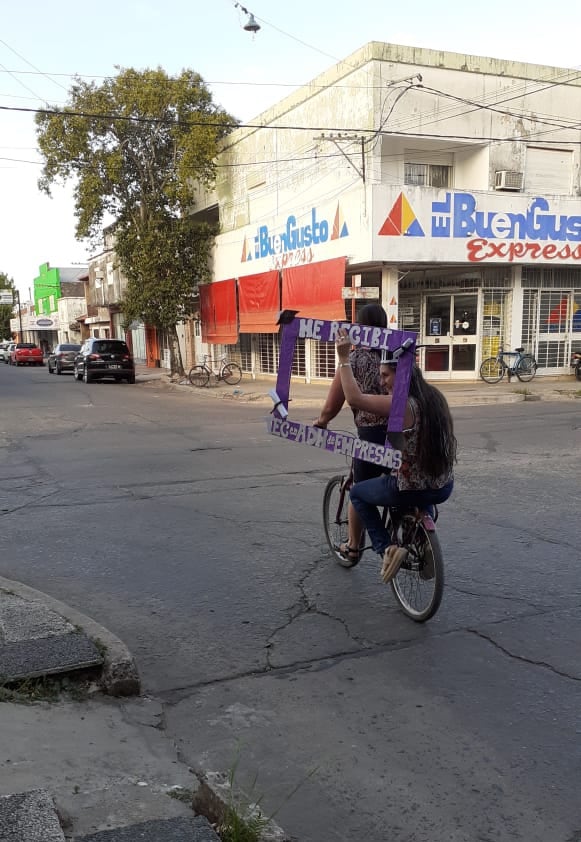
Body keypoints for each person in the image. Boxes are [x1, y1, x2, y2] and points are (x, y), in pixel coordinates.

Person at [334, 327, 457, 583]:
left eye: (386, 375)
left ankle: (386, 547)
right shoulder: (436, 398)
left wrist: (344, 358)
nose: (382, 382)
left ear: (401, 374)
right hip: (442, 485)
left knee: (357, 493)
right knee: (419, 488)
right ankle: (421, 538)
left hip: (409, 486)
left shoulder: (401, 404)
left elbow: (354, 399)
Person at [314, 303, 388, 567]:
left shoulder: (355, 359)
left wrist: (322, 421)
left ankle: (354, 547)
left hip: (371, 436)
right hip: (403, 433)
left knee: (359, 490)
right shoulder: (397, 353)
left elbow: (333, 403)